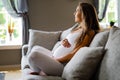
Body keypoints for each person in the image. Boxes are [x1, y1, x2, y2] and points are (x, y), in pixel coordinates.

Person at [27, 2, 100, 76]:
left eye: (77, 10)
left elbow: (75, 52)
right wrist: (63, 41)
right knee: (35, 48)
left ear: (84, 13)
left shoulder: (89, 32)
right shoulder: (78, 28)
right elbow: (70, 43)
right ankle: (43, 71)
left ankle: (42, 72)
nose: (74, 13)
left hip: (61, 64)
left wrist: (57, 60)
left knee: (33, 55)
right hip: (54, 57)